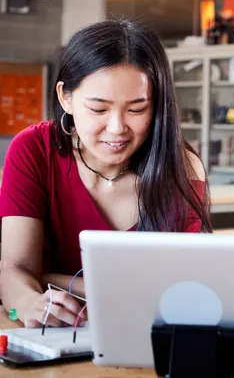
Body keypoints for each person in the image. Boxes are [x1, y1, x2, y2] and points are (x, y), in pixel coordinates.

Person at [0, 19, 211, 328]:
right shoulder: (34, 150)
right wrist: (27, 302)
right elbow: (15, 270)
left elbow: (181, 289)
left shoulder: (182, 169)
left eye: (137, 109)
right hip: (54, 339)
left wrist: (51, 279)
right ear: (66, 98)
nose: (117, 129)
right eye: (98, 109)